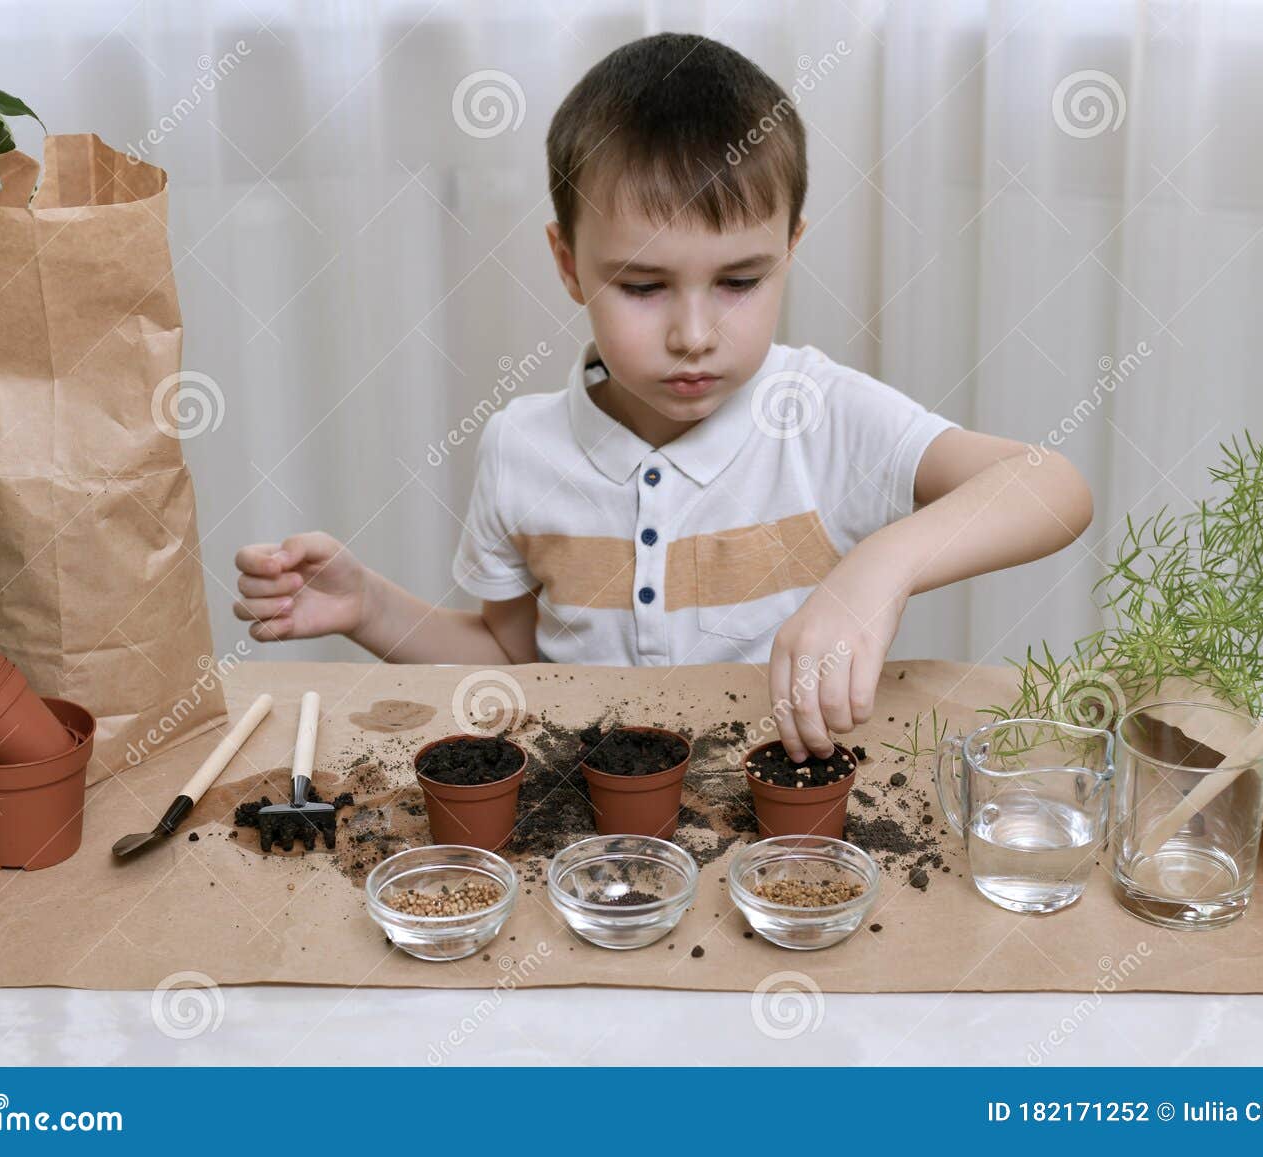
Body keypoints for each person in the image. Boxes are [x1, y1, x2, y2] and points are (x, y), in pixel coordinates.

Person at [233, 32, 1092, 762]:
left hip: (779, 826)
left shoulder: (822, 416)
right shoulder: (519, 449)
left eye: (740, 280)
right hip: (592, 832)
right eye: (643, 286)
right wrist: (372, 608)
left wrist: (877, 569)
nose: (694, 333)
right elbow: (510, 660)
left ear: (789, 250)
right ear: (569, 266)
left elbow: (1052, 487)